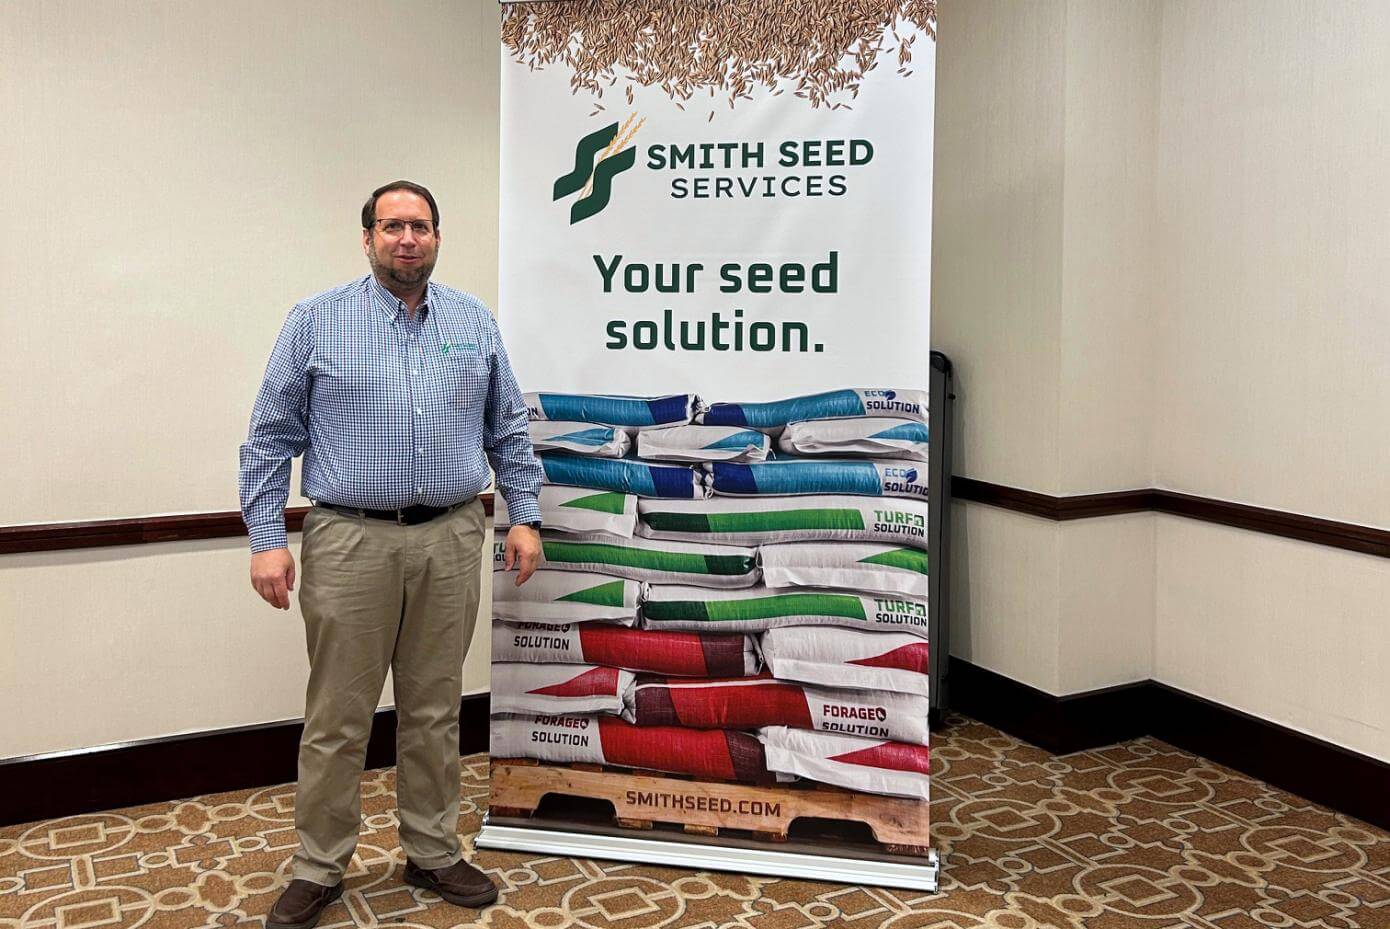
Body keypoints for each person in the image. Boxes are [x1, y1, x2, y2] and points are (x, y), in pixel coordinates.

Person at [238, 180, 543, 929]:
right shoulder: (317, 320)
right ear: (368, 238)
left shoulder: (473, 322)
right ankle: (318, 864)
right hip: (350, 539)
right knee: (338, 715)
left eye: (421, 226)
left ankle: (433, 848)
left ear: (437, 237)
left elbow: (507, 429)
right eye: (392, 226)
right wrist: (267, 539)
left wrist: (524, 515)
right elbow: (270, 437)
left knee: (435, 708)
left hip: (449, 535)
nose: (407, 238)